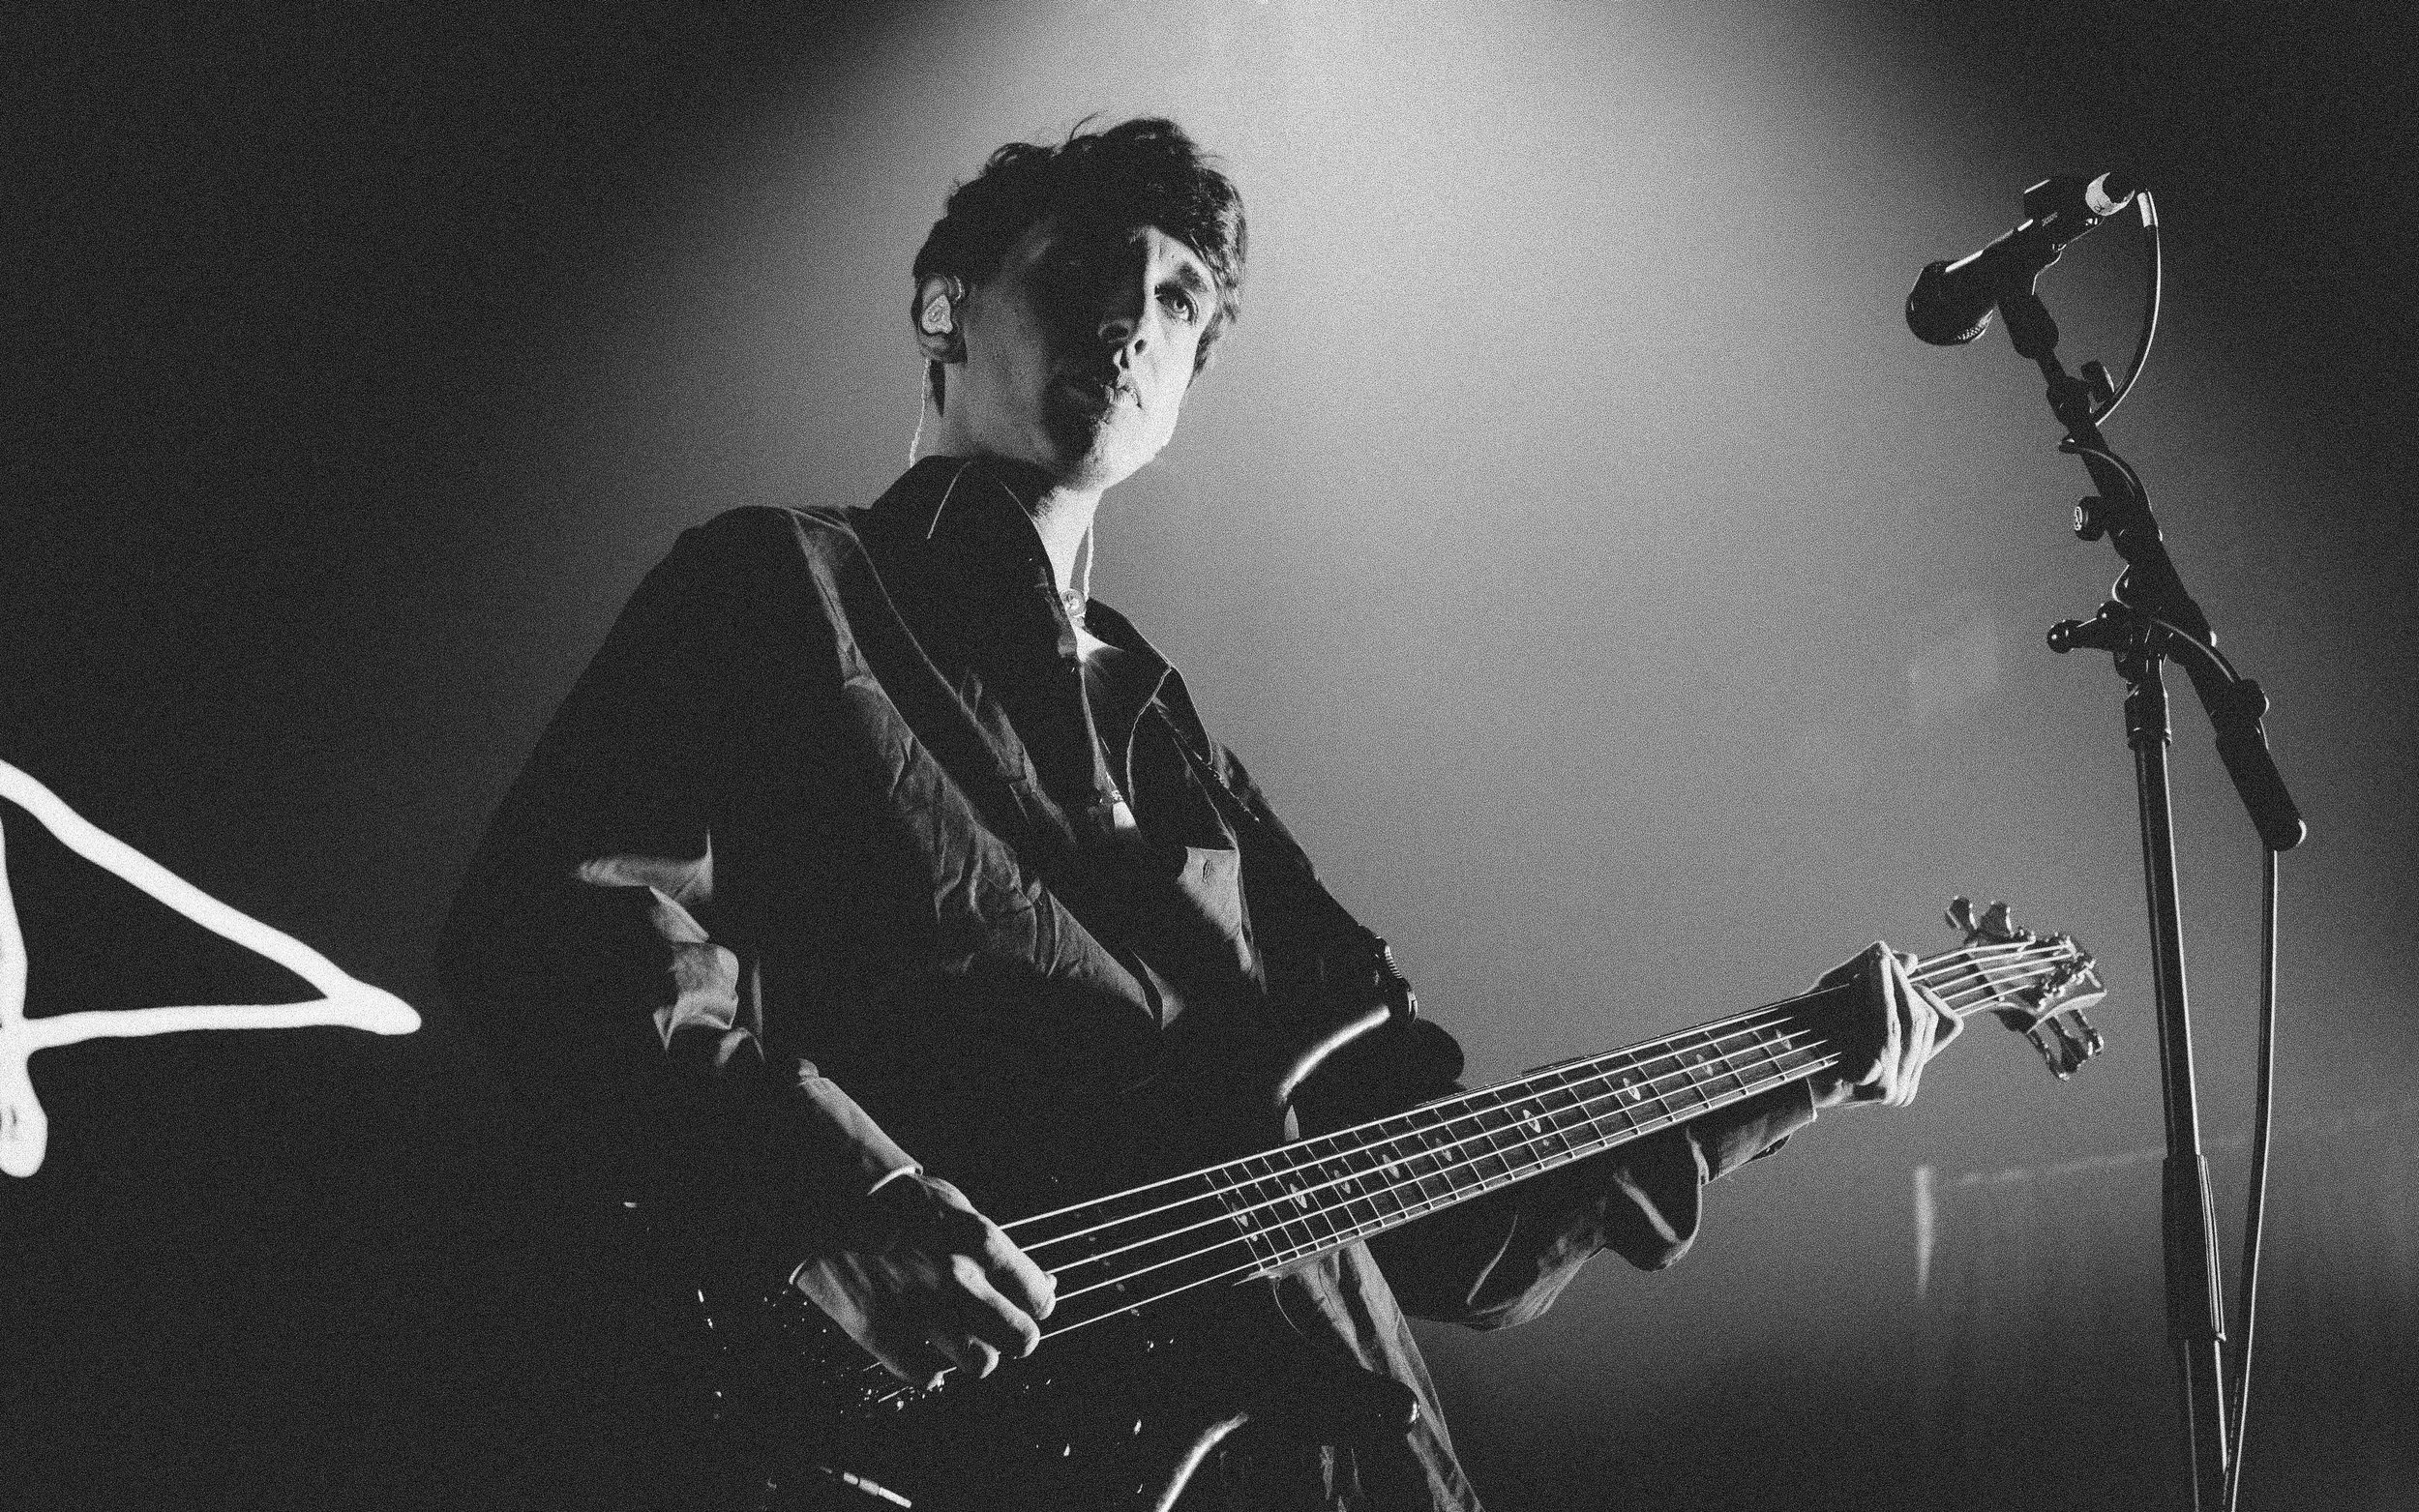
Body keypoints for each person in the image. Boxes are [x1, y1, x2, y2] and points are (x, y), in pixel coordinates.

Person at [439, 117, 1958, 1512]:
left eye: (1178, 301)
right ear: (942, 305)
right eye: (1091, 265)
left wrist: (1809, 1062)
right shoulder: (781, 589)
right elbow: (561, 929)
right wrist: (845, 1189)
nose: (1133, 316)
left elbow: (1442, 1210)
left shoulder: (1181, 756)